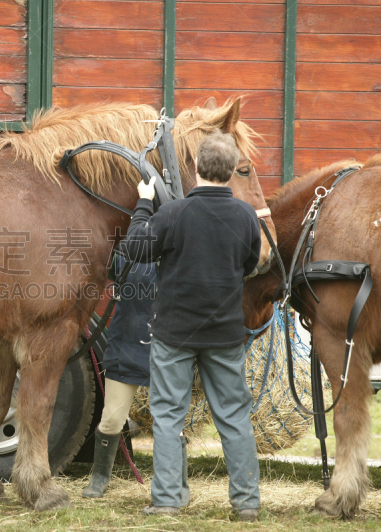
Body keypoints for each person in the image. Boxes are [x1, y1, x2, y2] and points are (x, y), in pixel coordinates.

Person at [121, 130, 261, 521]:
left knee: (168, 415)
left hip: (174, 334)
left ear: (195, 167)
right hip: (225, 335)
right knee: (233, 416)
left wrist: (144, 205)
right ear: (233, 170)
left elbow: (136, 250)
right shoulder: (246, 217)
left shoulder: (172, 213)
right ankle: (246, 503)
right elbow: (249, 266)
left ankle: (168, 500)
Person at [81, 257, 190, 502]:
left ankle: (177, 483)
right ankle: (100, 477)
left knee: (171, 424)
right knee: (111, 420)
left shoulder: (183, 252)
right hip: (125, 347)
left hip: (166, 350)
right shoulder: (128, 255)